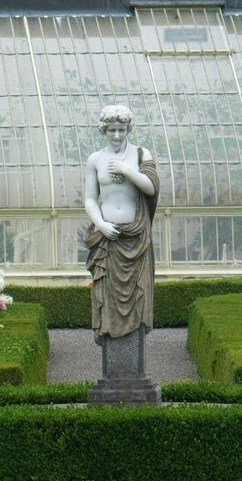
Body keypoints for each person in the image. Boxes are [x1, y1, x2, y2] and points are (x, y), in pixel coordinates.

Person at [83, 105, 160, 344]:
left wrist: (127, 170)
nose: (117, 135)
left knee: (138, 295)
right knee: (107, 295)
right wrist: (101, 225)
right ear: (103, 130)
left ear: (128, 129)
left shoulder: (141, 154)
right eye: (112, 130)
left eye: (122, 130)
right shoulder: (95, 159)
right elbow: (89, 199)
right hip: (108, 239)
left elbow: (151, 187)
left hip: (136, 237)